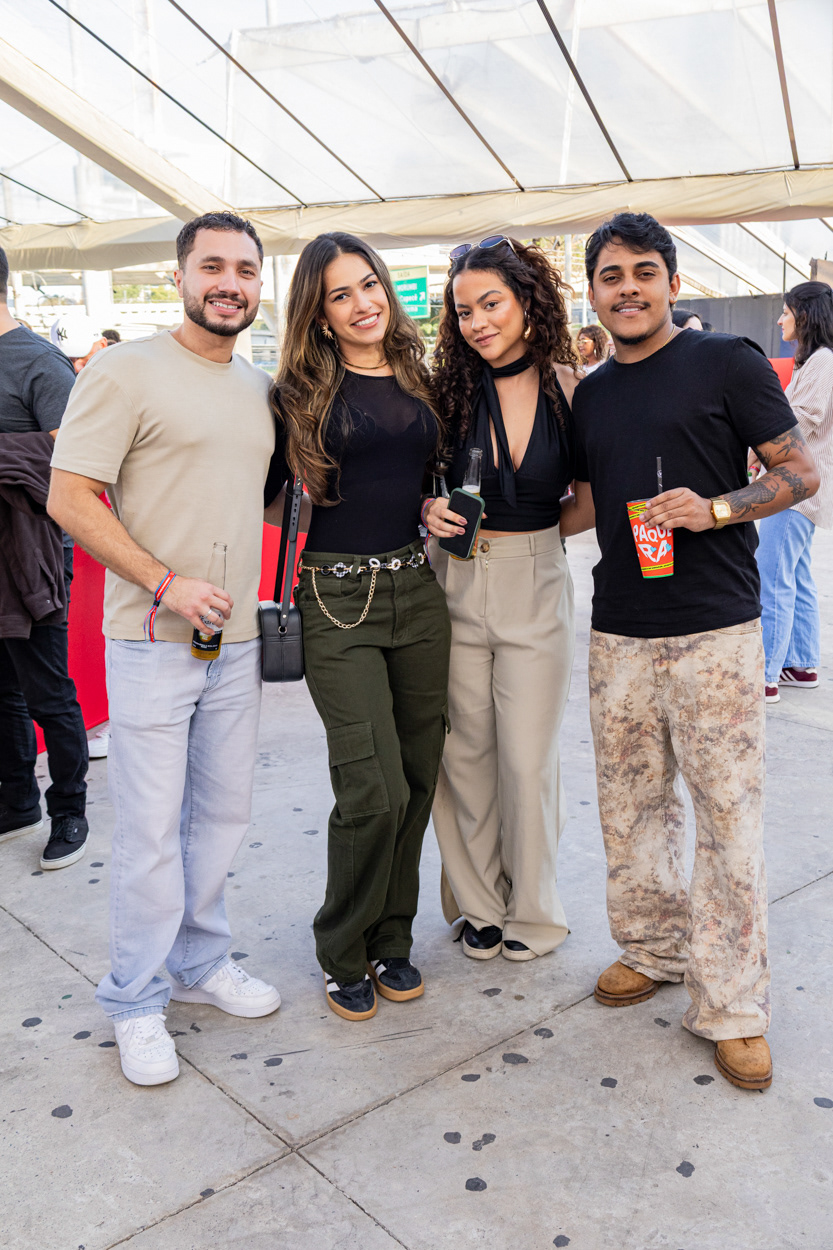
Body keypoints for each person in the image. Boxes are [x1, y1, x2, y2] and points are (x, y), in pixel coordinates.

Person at [560, 211, 818, 1092]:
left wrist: (713, 509)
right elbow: (583, 503)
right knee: (629, 809)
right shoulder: (592, 393)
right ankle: (653, 948)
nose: (627, 288)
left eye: (643, 271)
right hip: (617, 630)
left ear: (671, 282)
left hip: (714, 629)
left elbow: (799, 473)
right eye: (610, 275)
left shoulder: (726, 362)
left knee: (726, 818)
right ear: (592, 292)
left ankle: (733, 1006)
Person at [47, 211, 281, 1087]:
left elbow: (263, 499)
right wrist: (165, 581)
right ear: (179, 277)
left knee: (221, 818)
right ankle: (134, 999)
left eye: (245, 270)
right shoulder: (124, 370)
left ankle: (198, 961)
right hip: (152, 639)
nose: (229, 283)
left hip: (237, 640)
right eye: (212, 266)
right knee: (149, 831)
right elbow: (70, 497)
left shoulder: (259, 388)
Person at [266, 231, 450, 1022]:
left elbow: (420, 474)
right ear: (319, 313)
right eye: (339, 294)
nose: (361, 303)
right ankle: (342, 947)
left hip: (417, 590)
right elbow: (267, 497)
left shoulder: (418, 374)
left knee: (417, 777)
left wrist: (429, 506)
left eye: (368, 284)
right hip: (334, 600)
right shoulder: (297, 393)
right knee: (371, 788)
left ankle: (391, 937)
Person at [423, 237, 579, 963]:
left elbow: (589, 496)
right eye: (463, 312)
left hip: (536, 579)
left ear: (527, 302)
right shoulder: (443, 393)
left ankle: (534, 911)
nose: (478, 322)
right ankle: (479, 905)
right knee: (463, 753)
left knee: (526, 758)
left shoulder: (570, 387)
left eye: (491, 303)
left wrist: (534, 540)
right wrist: (427, 511)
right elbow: (416, 486)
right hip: (452, 576)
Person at [0, 245, 90, 868]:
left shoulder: (39, 362)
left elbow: (75, 457)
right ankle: (16, 802)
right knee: (1, 690)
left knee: (47, 692)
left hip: (31, 555)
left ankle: (69, 811)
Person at [754, 281, 833, 701]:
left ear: (805, 316)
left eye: (786, 311)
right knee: (796, 575)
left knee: (772, 578)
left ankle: (766, 675)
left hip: (793, 488)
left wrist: (758, 443)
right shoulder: (815, 361)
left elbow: (803, 416)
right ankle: (799, 665)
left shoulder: (823, 361)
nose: (779, 319)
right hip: (804, 488)